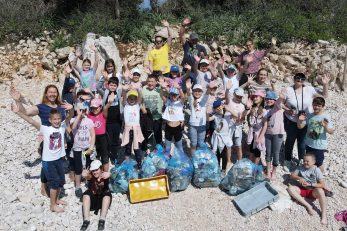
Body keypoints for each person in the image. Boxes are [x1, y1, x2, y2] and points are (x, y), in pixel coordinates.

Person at [10, 84, 72, 197]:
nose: (53, 94)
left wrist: (71, 109)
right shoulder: (41, 107)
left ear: (57, 94)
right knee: (46, 164)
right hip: (46, 138)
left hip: (59, 139)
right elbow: (26, 113)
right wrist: (18, 101)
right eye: (50, 92)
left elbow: (67, 120)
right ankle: (44, 186)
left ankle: (55, 185)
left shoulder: (62, 106)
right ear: (46, 94)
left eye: (55, 92)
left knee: (57, 162)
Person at [12, 104, 72, 213]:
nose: (57, 121)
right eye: (54, 119)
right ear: (49, 120)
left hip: (59, 159)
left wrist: (71, 108)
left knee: (60, 181)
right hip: (49, 161)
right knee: (54, 182)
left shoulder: (62, 127)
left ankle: (57, 199)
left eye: (59, 118)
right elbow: (31, 121)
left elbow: (69, 117)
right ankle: (52, 205)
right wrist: (18, 112)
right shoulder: (45, 129)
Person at [282, 73, 330, 171]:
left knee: (302, 141)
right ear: (294, 78)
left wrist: (325, 84)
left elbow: (324, 96)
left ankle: (301, 159)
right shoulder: (288, 90)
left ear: (305, 80)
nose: (300, 80)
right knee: (290, 140)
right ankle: (287, 160)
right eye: (297, 78)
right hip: (291, 120)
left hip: (305, 120)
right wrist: (287, 110)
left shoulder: (309, 89)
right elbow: (280, 103)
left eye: (302, 78)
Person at [287, 153, 327, 225]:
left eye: (307, 161)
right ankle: (308, 206)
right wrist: (299, 178)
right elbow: (292, 175)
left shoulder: (316, 170)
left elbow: (322, 184)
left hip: (312, 191)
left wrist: (311, 184)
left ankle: (324, 214)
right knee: (290, 188)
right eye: (304, 161)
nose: (305, 162)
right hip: (302, 189)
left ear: (313, 162)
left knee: (320, 191)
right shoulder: (301, 167)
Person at [297, 97, 334, 173]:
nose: (316, 107)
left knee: (319, 163)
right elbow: (300, 126)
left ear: (323, 106)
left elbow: (331, 131)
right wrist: (299, 120)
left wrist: (325, 126)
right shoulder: (310, 116)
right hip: (309, 144)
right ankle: (311, 176)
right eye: (314, 105)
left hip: (319, 146)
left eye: (319, 105)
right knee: (309, 162)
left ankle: (321, 178)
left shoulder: (325, 117)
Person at [257, 91, 285, 180]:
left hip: (278, 133)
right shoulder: (265, 109)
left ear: (274, 100)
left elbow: (279, 101)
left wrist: (280, 97)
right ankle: (268, 171)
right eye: (267, 99)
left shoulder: (278, 107)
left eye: (271, 99)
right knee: (268, 153)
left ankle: (274, 171)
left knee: (276, 153)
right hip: (268, 134)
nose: (269, 100)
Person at [70, 102, 96, 198]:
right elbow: (73, 127)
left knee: (89, 166)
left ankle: (89, 183)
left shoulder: (89, 121)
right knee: (78, 168)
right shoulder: (73, 119)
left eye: (84, 110)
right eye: (80, 110)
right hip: (77, 148)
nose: (82, 112)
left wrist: (91, 147)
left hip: (87, 147)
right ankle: (77, 186)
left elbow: (93, 134)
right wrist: (78, 116)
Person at [80, 160, 112, 231]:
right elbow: (88, 176)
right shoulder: (92, 177)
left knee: (107, 194)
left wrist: (110, 174)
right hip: (93, 201)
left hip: (103, 201)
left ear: (101, 168)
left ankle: (102, 219)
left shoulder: (105, 175)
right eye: (93, 170)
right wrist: (84, 175)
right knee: (86, 194)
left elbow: (111, 175)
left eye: (97, 169)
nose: (95, 172)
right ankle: (86, 220)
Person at [120, 88, 145, 168]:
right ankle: (127, 163)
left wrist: (138, 89)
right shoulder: (126, 105)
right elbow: (124, 97)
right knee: (127, 147)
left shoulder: (137, 106)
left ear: (136, 99)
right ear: (127, 99)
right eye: (130, 98)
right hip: (128, 130)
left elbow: (140, 98)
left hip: (136, 129)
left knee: (137, 147)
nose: (132, 100)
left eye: (134, 98)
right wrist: (124, 90)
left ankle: (139, 162)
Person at [100, 77, 122, 164]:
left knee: (115, 141)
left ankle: (114, 156)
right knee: (109, 140)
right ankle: (107, 155)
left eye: (115, 85)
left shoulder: (118, 93)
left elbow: (125, 89)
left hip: (117, 121)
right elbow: (98, 87)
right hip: (108, 122)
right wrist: (103, 77)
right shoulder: (105, 92)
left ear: (117, 86)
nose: (113, 87)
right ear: (108, 85)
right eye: (111, 85)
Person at [224, 87, 247, 167]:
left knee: (238, 144)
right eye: (237, 96)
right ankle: (228, 161)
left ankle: (240, 161)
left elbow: (242, 118)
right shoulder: (229, 101)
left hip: (238, 126)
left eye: (240, 97)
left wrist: (239, 118)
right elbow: (226, 97)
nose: (239, 98)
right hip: (229, 127)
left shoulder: (242, 106)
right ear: (234, 94)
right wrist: (227, 89)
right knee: (228, 144)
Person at [88, 98, 112, 171]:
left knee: (105, 156)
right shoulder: (89, 115)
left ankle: (105, 172)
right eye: (92, 108)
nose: (94, 109)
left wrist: (109, 103)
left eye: (96, 108)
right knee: (95, 155)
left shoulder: (103, 114)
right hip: (93, 138)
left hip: (103, 138)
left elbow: (105, 108)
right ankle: (97, 170)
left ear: (100, 107)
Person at [186, 80, 209, 155]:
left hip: (202, 125)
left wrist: (209, 88)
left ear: (202, 92)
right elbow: (189, 95)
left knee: (201, 144)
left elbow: (207, 94)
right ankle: (193, 159)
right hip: (193, 125)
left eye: (199, 91)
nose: (197, 93)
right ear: (193, 92)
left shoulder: (203, 100)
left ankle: (200, 159)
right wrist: (188, 88)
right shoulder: (191, 100)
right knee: (193, 144)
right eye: (195, 91)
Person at [210, 99, 233, 173]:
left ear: (222, 106)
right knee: (217, 154)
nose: (218, 108)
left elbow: (236, 115)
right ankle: (217, 169)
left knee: (224, 155)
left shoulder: (227, 114)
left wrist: (228, 109)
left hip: (224, 138)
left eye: (219, 106)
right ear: (214, 109)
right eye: (216, 108)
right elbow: (208, 119)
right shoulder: (215, 116)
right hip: (217, 137)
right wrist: (207, 112)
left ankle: (223, 170)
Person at [245, 90, 267, 166]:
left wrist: (260, 137)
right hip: (252, 133)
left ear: (261, 98)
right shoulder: (251, 108)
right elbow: (243, 115)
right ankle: (251, 166)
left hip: (259, 133)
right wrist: (247, 108)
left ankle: (255, 168)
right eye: (254, 97)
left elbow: (265, 125)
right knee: (251, 150)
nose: (254, 98)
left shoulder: (264, 111)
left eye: (256, 96)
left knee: (257, 152)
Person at [162, 86, 185, 154]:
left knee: (179, 147)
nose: (173, 96)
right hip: (168, 127)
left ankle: (182, 161)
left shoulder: (180, 103)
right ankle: (167, 161)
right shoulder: (167, 102)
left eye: (175, 95)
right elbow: (161, 95)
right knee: (167, 147)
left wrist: (180, 89)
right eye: (172, 94)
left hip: (177, 128)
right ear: (169, 95)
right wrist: (162, 87)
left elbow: (183, 97)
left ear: (178, 95)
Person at [142, 74, 163, 144]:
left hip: (157, 117)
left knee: (158, 135)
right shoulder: (143, 89)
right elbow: (140, 101)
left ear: (156, 82)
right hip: (146, 117)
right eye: (149, 81)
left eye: (152, 81)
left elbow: (170, 94)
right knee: (147, 135)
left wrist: (164, 87)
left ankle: (159, 149)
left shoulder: (160, 90)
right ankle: (148, 149)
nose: (150, 83)